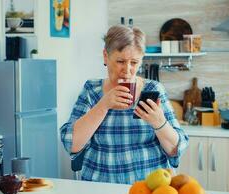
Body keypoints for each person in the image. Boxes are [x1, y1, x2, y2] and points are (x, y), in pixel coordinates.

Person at [60, 25, 188, 184]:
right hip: (101, 188)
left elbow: (177, 148)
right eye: (120, 61)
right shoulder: (92, 91)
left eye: (134, 62)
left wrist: (159, 123)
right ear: (106, 56)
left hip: (151, 188)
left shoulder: (153, 90)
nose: (127, 70)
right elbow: (70, 143)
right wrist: (103, 105)